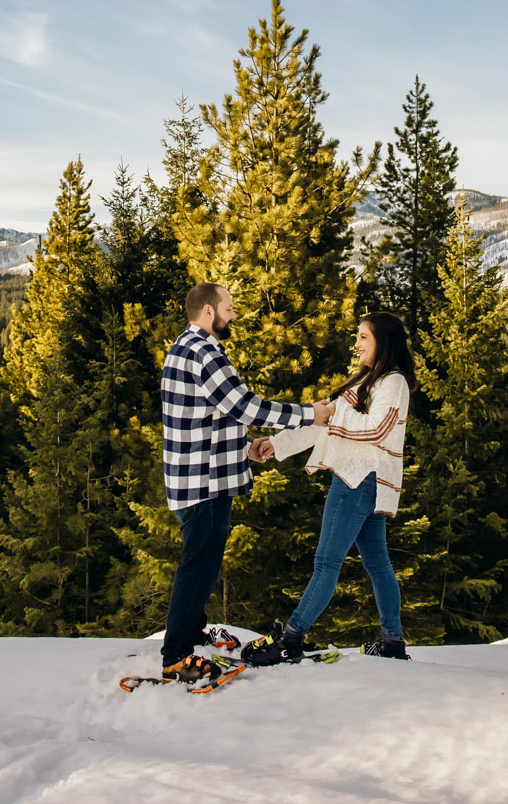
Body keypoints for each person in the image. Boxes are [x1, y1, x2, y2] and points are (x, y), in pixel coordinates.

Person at [158, 281, 334, 680]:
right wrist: (310, 414)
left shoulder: (185, 347)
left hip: (205, 476)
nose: (234, 314)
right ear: (208, 311)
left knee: (205, 561)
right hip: (200, 482)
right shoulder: (204, 351)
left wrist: (247, 448)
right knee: (197, 563)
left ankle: (190, 632)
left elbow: (207, 418)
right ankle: (175, 655)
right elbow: (243, 405)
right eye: (229, 308)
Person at [246, 311, 416, 663]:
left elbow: (375, 429)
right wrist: (277, 445)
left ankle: (291, 638)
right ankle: (392, 642)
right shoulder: (370, 380)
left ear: (382, 341)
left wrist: (342, 410)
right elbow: (323, 421)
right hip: (365, 481)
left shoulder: (393, 382)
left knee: (326, 563)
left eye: (362, 337)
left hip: (357, 480)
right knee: (378, 564)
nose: (355, 344)